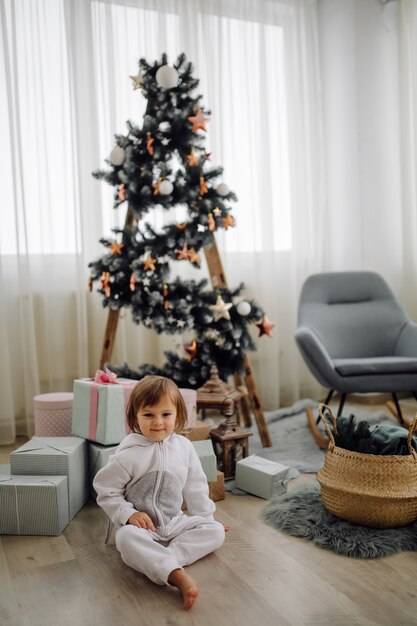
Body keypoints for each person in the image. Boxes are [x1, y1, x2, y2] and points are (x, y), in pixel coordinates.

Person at [93, 375, 226, 610]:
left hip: (175, 522)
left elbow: (195, 486)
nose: (158, 422)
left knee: (215, 532)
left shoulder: (184, 448)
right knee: (124, 539)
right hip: (143, 528)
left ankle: (163, 560)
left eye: (166, 414)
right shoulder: (128, 454)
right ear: (135, 417)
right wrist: (127, 514)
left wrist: (205, 518)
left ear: (178, 415)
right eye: (148, 415)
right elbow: (105, 490)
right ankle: (175, 574)